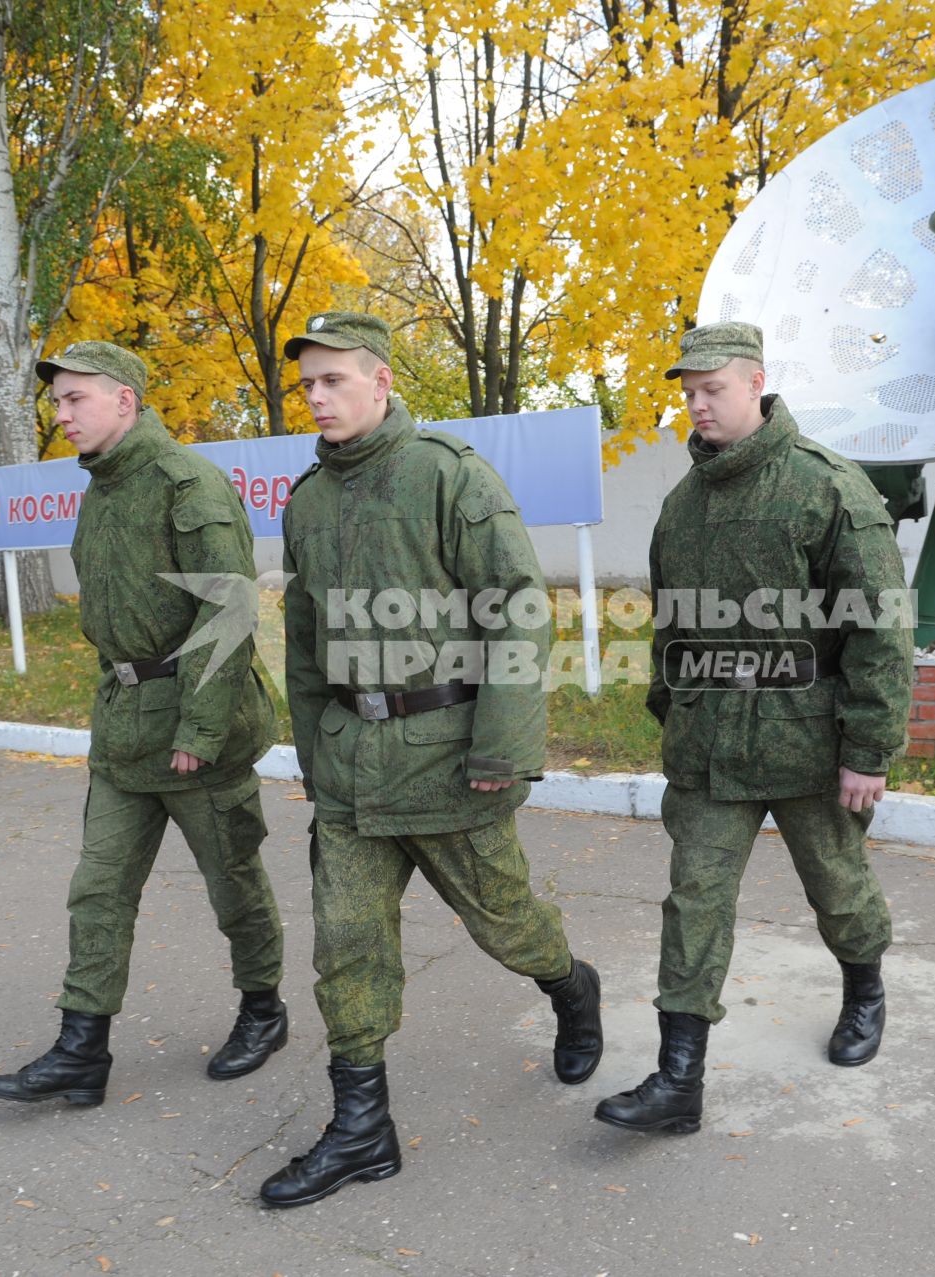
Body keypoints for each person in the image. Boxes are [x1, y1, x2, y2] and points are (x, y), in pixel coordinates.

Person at [262, 311, 602, 1207]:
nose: (318, 398)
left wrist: (504, 748)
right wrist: (312, 749)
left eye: (334, 381)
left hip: (448, 760)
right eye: (308, 385)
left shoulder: (449, 478)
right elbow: (304, 641)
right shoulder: (307, 500)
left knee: (506, 924)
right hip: (349, 768)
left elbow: (519, 609)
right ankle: (362, 1129)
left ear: (379, 380)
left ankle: (572, 988)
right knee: (346, 944)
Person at [594, 321, 913, 1135]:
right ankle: (678, 1079)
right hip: (709, 742)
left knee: (837, 887)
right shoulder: (683, 504)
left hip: (808, 737)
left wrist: (868, 749)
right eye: (689, 393)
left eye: (713, 389)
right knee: (693, 900)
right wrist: (674, 709)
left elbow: (880, 628)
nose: (698, 405)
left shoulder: (828, 486)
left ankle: (864, 990)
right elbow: (671, 625)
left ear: (755, 383)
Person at [0, 341, 288, 1107]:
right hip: (123, 731)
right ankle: (82, 1046)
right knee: (99, 888)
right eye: (56, 403)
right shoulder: (102, 489)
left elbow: (229, 611)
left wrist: (200, 733)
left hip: (195, 733)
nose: (61, 415)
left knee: (234, 884)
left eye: (74, 399)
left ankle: (264, 1008)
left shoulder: (187, 484)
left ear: (124, 399)